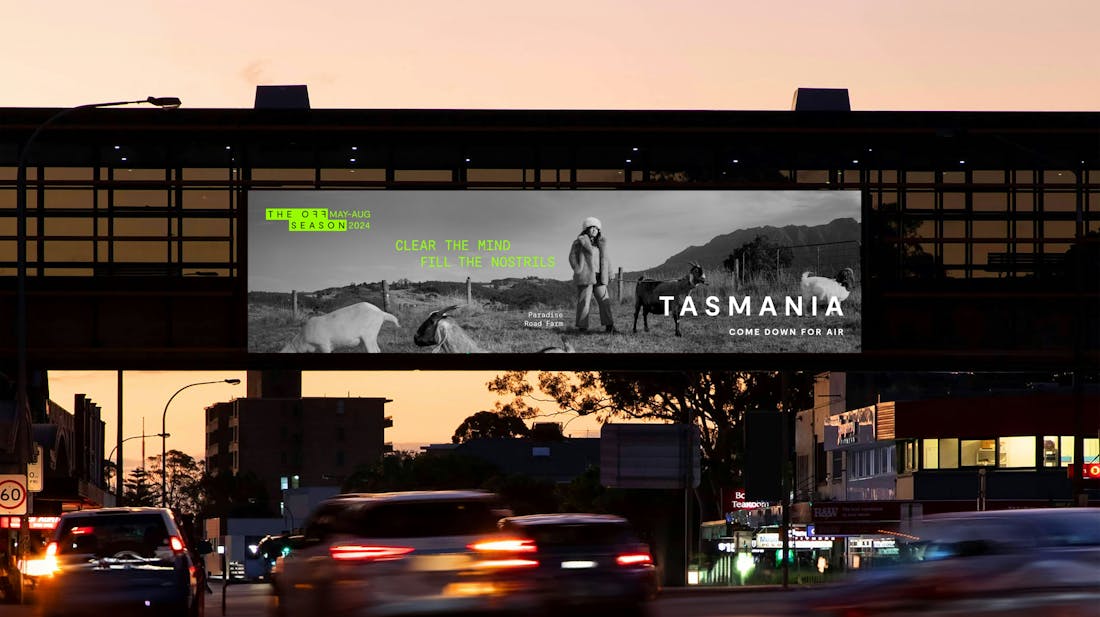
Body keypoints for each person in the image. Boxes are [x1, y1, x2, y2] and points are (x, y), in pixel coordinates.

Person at [569, 216, 617, 333]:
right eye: (591, 227)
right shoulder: (578, 242)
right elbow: (572, 257)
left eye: (596, 228)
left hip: (600, 277)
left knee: (604, 301)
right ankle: (582, 328)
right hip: (585, 277)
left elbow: (606, 260)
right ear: (586, 229)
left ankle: (609, 327)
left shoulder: (601, 244)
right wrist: (578, 269)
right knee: (584, 302)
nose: (594, 230)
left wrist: (610, 272)